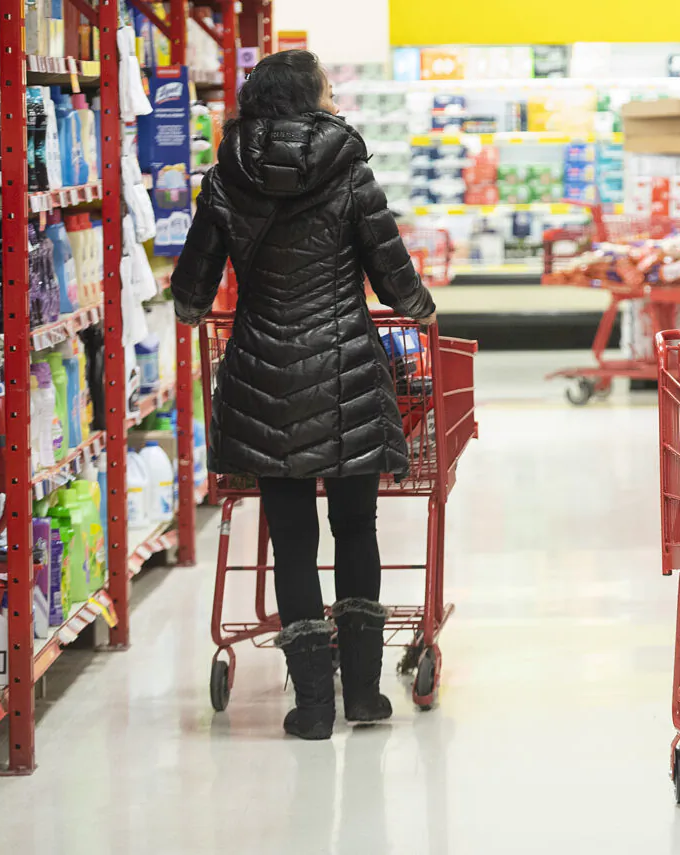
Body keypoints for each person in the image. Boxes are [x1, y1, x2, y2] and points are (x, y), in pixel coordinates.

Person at [171, 50, 436, 740]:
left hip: (264, 374)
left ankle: (313, 704)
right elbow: (390, 270)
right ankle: (367, 695)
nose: (332, 93)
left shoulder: (226, 174)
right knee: (356, 528)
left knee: (289, 537)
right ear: (308, 97)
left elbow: (193, 286)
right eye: (325, 83)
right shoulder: (349, 169)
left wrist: (195, 306)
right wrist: (422, 307)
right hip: (345, 370)